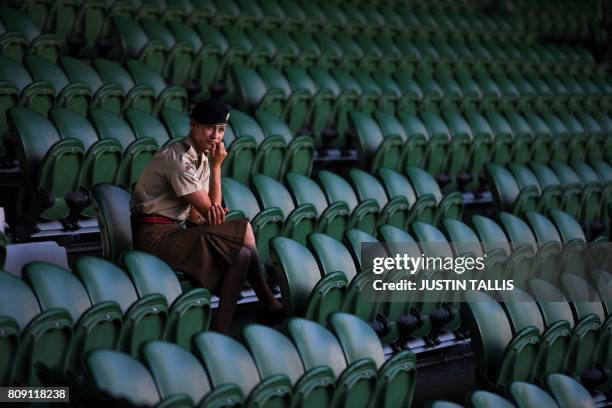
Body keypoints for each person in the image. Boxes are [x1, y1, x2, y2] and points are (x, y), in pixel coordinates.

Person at [130, 99, 283, 334]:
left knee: (241, 254)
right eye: (210, 127)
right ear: (193, 125)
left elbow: (211, 216)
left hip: (175, 233)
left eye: (221, 129)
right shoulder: (178, 159)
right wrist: (218, 167)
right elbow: (211, 210)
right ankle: (268, 300)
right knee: (244, 230)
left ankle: (220, 330)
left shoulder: (201, 159)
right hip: (154, 238)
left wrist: (212, 168)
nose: (216, 135)